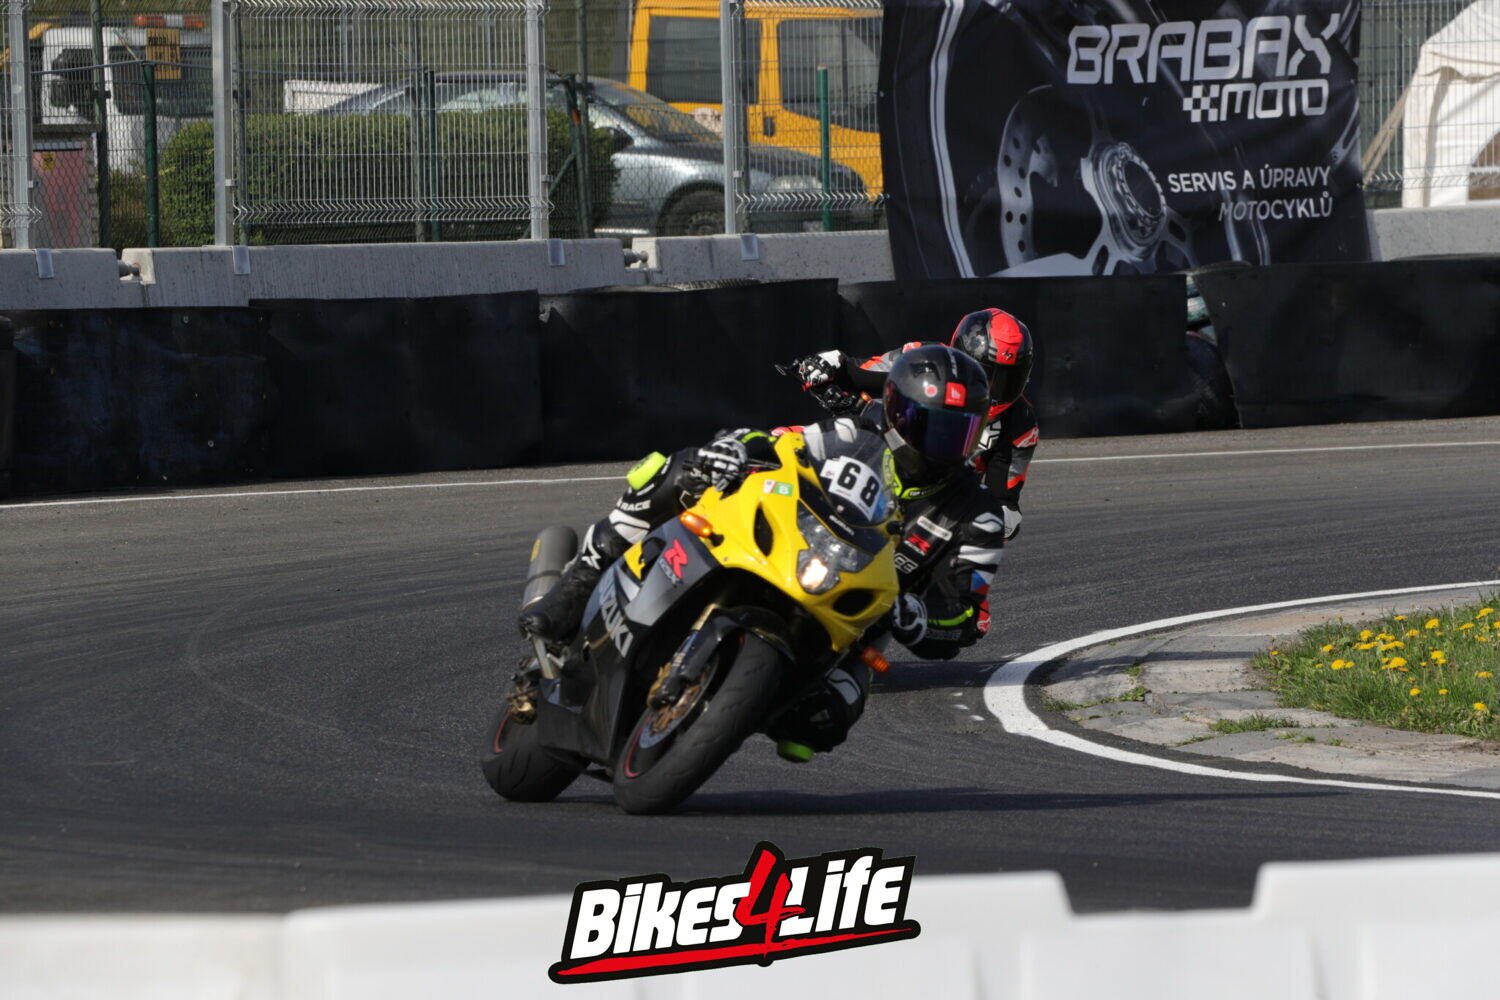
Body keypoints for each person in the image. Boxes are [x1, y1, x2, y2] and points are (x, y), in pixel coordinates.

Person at [517, 346, 1008, 752]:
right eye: (931, 426)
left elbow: (967, 616)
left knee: (823, 724)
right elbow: (778, 443)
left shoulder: (979, 514)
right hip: (785, 548)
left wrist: (916, 616)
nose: (942, 445)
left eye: (958, 432)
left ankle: (742, 705)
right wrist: (736, 448)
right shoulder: (855, 432)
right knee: (678, 471)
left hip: (855, 621)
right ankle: (575, 587)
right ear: (897, 410)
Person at [790, 307, 1037, 541]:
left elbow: (1005, 506)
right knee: (785, 441)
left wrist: (986, 520)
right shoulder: (923, 359)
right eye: (984, 375)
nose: (993, 390)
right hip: (873, 465)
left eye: (1008, 381)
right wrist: (830, 363)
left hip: (929, 513)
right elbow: (860, 371)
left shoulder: (1020, 425)